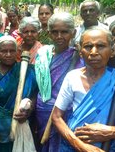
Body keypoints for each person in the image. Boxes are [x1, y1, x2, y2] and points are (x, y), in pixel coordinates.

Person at [52, 27, 115, 151]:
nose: (94, 52)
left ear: (112, 51)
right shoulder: (72, 77)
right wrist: (80, 146)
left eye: (101, 46)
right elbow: (56, 117)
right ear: (80, 52)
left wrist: (114, 132)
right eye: (88, 46)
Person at [34, 12, 84, 152]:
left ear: (73, 33)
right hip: (43, 111)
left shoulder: (80, 58)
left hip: (66, 113)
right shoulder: (42, 55)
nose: (59, 36)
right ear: (49, 34)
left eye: (64, 32)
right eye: (55, 32)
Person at [0, 35, 38, 152]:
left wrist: (29, 110)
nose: (8, 54)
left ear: (17, 52)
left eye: (12, 51)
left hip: (22, 123)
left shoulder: (27, 71)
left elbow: (33, 95)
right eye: (4, 51)